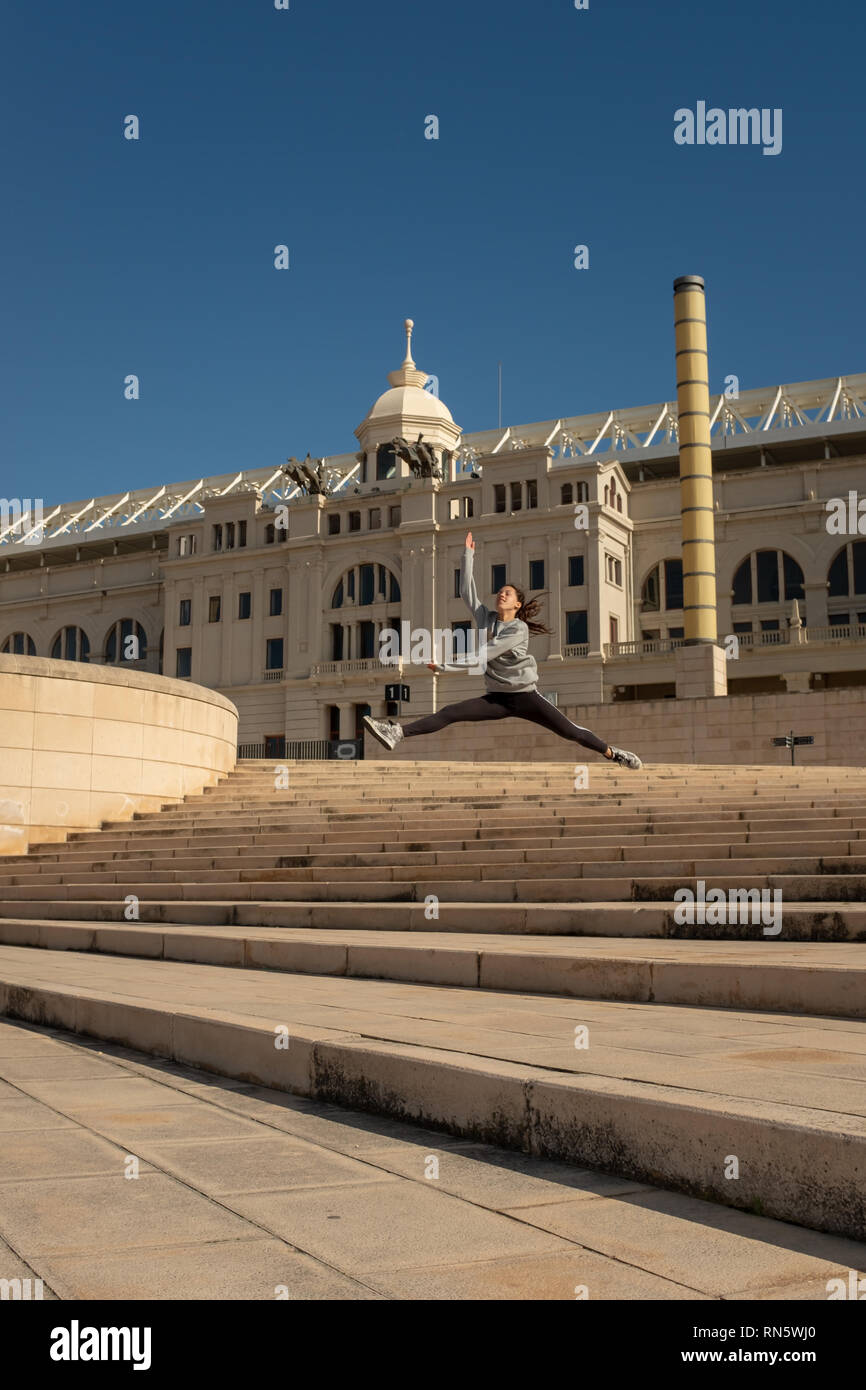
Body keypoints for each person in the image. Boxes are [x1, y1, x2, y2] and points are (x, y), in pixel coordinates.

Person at [364, 532, 642, 768]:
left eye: (507, 593)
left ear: (517, 605)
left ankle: (614, 754)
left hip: (525, 696)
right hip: (497, 698)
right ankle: (396, 732)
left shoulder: (517, 629)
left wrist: (445, 666)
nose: (501, 594)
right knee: (450, 712)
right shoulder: (487, 618)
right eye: (500, 592)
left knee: (571, 732)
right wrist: (468, 556)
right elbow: (466, 593)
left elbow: (485, 655)